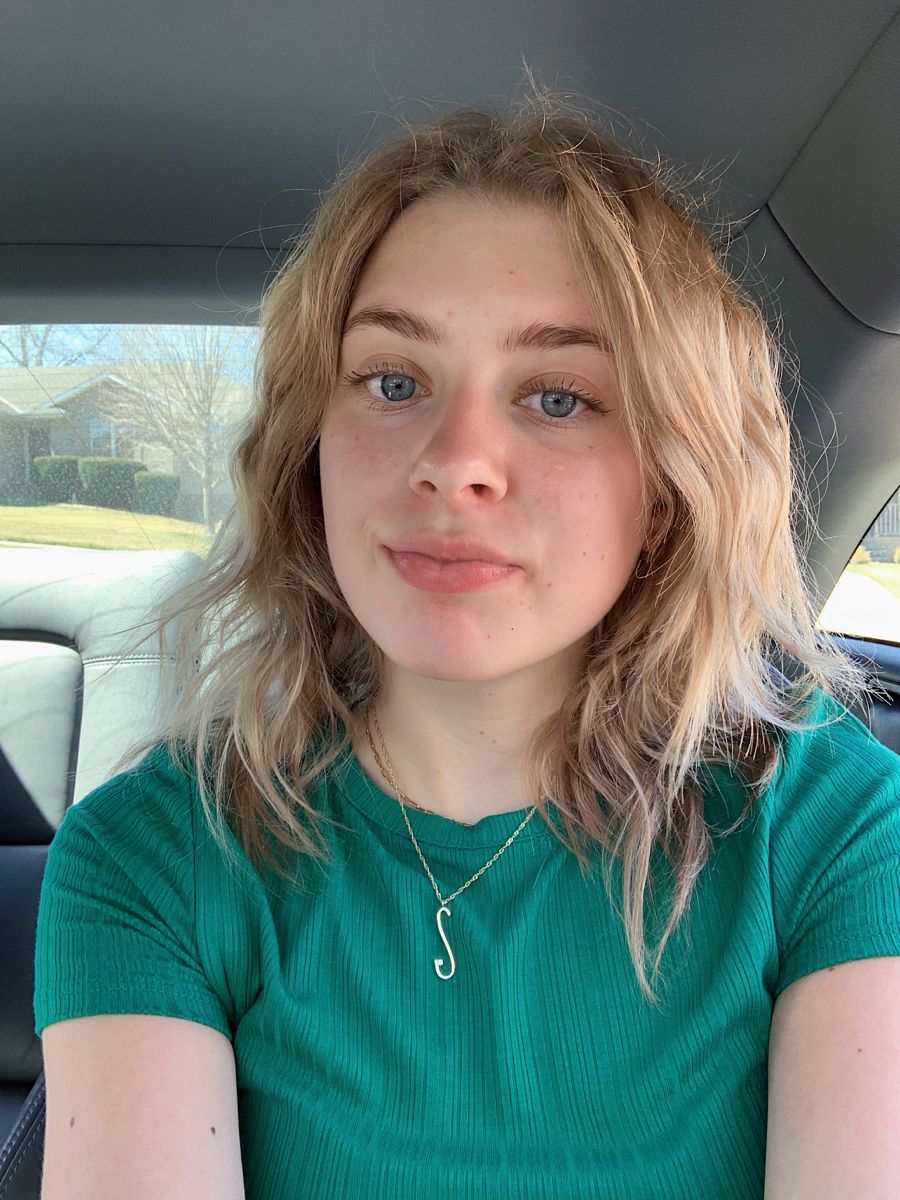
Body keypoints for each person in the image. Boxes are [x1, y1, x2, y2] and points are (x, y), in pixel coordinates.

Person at [33, 93, 900, 1199]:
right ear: (310, 447)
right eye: (393, 381)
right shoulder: (154, 858)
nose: (455, 463)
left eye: (559, 396)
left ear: (667, 490)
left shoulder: (832, 830)